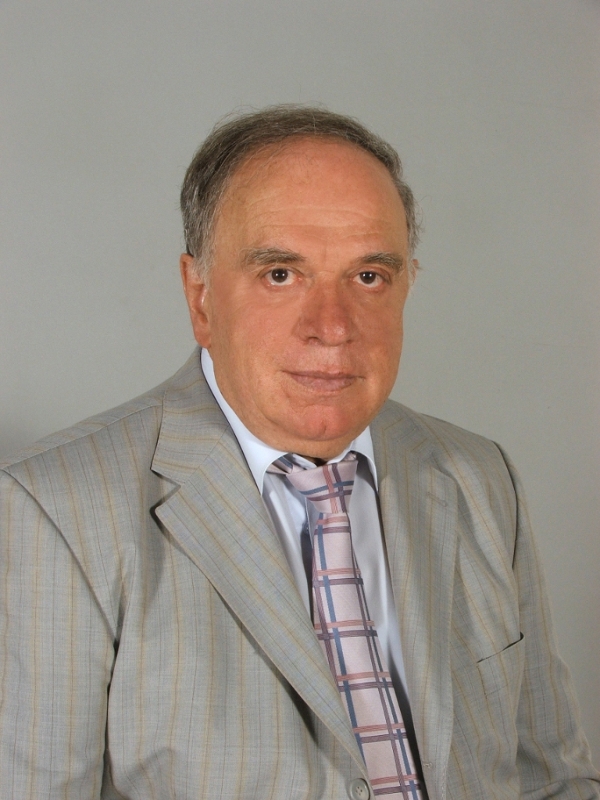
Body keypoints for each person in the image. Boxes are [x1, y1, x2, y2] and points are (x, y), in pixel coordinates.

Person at [0, 106, 597, 800]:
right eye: (281, 274)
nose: (332, 327)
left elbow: (552, 780)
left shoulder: (479, 476)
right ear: (200, 297)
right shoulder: (55, 511)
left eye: (368, 276)